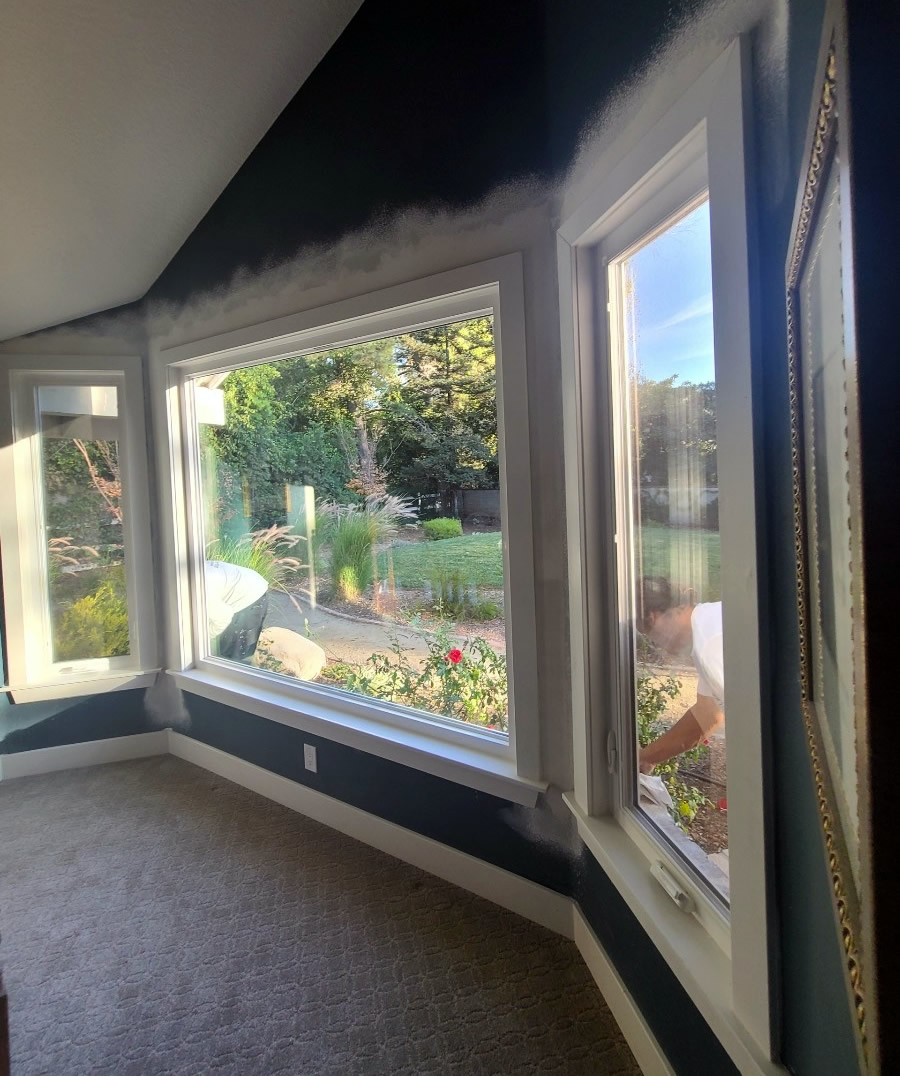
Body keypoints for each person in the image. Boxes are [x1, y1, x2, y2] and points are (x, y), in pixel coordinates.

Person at [637, 576, 724, 773]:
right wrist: (646, 757)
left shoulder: (708, 644)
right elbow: (706, 714)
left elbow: (749, 717)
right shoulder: (708, 619)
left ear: (653, 617)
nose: (660, 647)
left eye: (651, 636)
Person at [205, 559, 269, 661]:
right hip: (247, 580)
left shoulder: (202, 592)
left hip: (250, 596)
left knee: (234, 653)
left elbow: (224, 617)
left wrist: (206, 635)